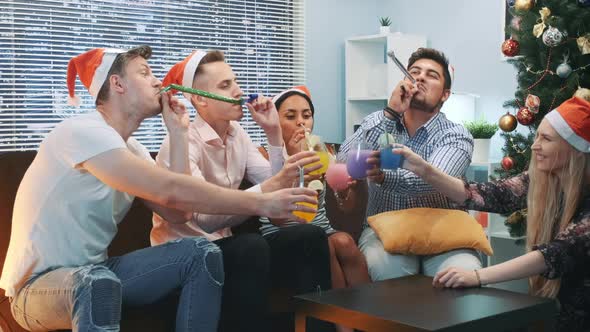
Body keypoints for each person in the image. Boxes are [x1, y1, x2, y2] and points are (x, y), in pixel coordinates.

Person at [0, 46, 317, 332]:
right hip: (37, 288)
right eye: (144, 73)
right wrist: (262, 203)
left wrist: (177, 135)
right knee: (96, 283)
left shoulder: (134, 149)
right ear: (117, 84)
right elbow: (171, 191)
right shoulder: (82, 131)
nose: (157, 81)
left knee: (200, 252)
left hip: (97, 271)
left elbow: (178, 214)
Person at [151, 50, 330, 332]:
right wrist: (268, 192)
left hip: (229, 252)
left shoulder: (238, 135)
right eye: (225, 86)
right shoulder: (182, 143)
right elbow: (203, 218)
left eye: (235, 82)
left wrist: (273, 133)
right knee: (250, 246)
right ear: (199, 99)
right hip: (188, 256)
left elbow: (280, 190)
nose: (238, 91)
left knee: (310, 235)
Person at [395, 96, 590, 331]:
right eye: (537, 135)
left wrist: (477, 276)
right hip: (558, 311)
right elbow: (485, 194)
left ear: (574, 149)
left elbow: (551, 255)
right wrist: (422, 169)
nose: (534, 146)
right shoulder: (544, 180)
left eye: (546, 139)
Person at [336, 47, 481, 281]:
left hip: (444, 234)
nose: (420, 77)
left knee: (463, 275)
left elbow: (433, 181)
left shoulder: (456, 135)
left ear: (445, 95)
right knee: (386, 273)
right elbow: (343, 160)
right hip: (384, 233)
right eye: (414, 72)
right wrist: (391, 113)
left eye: (432, 75)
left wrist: (384, 177)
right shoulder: (380, 119)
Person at [260, 86, 371, 332]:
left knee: (343, 241)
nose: (301, 123)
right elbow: (279, 212)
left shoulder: (323, 152)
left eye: (306, 115)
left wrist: (344, 192)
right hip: (281, 234)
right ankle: (345, 328)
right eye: (290, 116)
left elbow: (347, 209)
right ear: (275, 120)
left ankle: (372, 322)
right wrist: (297, 164)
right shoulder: (263, 155)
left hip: (322, 229)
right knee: (329, 242)